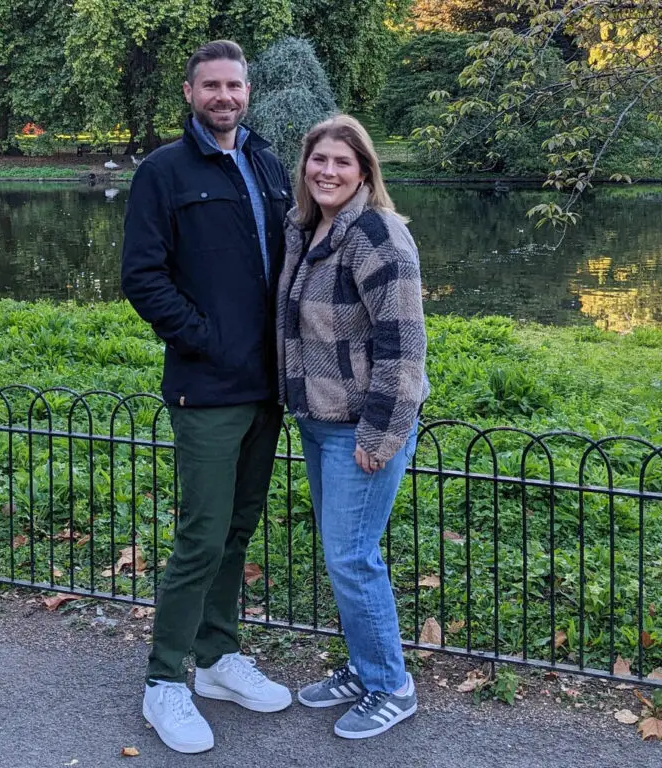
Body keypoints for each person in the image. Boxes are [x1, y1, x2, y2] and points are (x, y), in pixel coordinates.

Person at [121, 40, 293, 754]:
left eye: (235, 85)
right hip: (208, 387)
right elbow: (143, 276)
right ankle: (165, 680)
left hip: (270, 388)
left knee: (237, 530)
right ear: (190, 92)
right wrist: (208, 340)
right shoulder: (163, 171)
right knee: (201, 534)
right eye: (211, 86)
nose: (225, 96)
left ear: (247, 92)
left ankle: (218, 658)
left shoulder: (266, 162)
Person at [276, 114, 430, 740]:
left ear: (364, 171)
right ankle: (366, 669)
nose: (327, 172)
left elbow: (403, 342)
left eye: (342, 162)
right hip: (320, 419)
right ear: (305, 168)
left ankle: (392, 686)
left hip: (361, 427)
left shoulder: (376, 235)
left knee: (352, 556)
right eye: (319, 161)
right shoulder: (310, 228)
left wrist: (381, 432)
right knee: (344, 555)